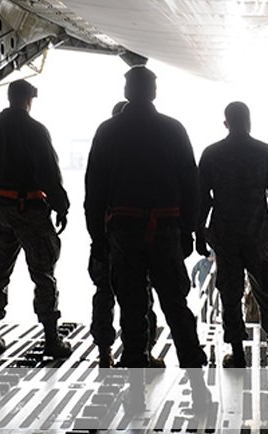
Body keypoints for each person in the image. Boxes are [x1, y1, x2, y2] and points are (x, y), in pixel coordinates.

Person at [85, 66, 206, 368]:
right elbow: (191, 184)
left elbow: (95, 189)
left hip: (123, 233)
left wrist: (97, 238)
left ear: (127, 91)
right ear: (153, 92)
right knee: (175, 303)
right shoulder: (173, 130)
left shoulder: (107, 131)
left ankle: (135, 368)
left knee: (131, 304)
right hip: (166, 229)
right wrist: (189, 231)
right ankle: (193, 368)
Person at [0, 79, 72, 361]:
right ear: (28, 100)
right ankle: (51, 339)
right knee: (43, 274)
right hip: (30, 210)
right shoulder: (35, 131)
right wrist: (61, 206)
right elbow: (48, 174)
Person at [196, 101, 268, 367]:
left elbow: (201, 199)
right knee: (266, 290)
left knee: (230, 295)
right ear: (249, 122)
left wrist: (198, 232)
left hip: (225, 236)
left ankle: (237, 353)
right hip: (258, 235)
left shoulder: (212, 154)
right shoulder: (264, 153)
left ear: (226, 123)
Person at [88, 101, 161, 368]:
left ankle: (104, 352)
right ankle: (144, 352)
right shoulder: (142, 153)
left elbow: (92, 195)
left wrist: (96, 237)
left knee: (104, 294)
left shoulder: (105, 147)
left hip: (107, 233)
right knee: (142, 295)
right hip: (137, 235)